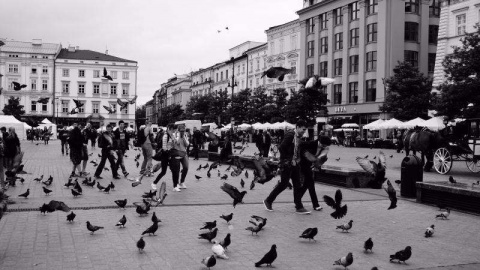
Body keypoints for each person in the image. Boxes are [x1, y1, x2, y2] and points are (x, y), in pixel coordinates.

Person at [263, 119, 311, 214]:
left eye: (305, 130)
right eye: (303, 129)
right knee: (283, 184)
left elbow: (296, 149)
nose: (304, 132)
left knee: (297, 185)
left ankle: (299, 206)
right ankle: (268, 200)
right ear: (297, 127)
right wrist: (288, 160)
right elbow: (281, 147)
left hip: (294, 164)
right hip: (287, 164)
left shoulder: (297, 137)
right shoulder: (290, 135)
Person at [298, 135, 331, 211]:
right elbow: (300, 146)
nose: (325, 147)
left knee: (307, 184)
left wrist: (319, 162)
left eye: (326, 146)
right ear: (321, 142)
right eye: (324, 145)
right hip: (303, 165)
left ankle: (297, 199)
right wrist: (307, 156)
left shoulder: (324, 148)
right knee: (311, 184)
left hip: (310, 166)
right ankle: (315, 205)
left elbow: (322, 158)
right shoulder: (311, 143)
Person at [151, 124, 175, 190]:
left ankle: (175, 185)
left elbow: (173, 144)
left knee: (174, 170)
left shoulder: (170, 135)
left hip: (169, 155)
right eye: (173, 130)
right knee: (163, 172)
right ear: (170, 129)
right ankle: (154, 183)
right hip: (165, 155)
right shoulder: (165, 136)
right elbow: (164, 147)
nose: (174, 131)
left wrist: (173, 140)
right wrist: (169, 154)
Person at [169, 124, 189, 192]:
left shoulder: (185, 135)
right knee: (176, 169)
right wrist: (179, 137)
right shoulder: (175, 135)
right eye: (181, 131)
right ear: (178, 130)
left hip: (183, 153)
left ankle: (182, 182)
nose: (183, 132)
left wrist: (183, 138)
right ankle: (176, 183)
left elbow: (187, 144)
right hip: (176, 153)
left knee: (186, 167)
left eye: (184, 130)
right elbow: (176, 143)